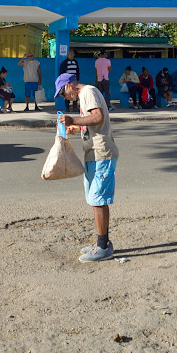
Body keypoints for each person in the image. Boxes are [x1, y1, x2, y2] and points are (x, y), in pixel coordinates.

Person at [56, 72, 119, 262]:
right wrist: (77, 128)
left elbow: (97, 117)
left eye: (63, 94)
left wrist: (72, 120)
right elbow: (92, 122)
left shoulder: (87, 92)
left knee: (98, 199)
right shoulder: (86, 95)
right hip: (94, 152)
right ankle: (103, 242)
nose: (65, 98)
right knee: (96, 199)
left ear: (68, 86)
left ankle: (102, 247)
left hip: (101, 152)